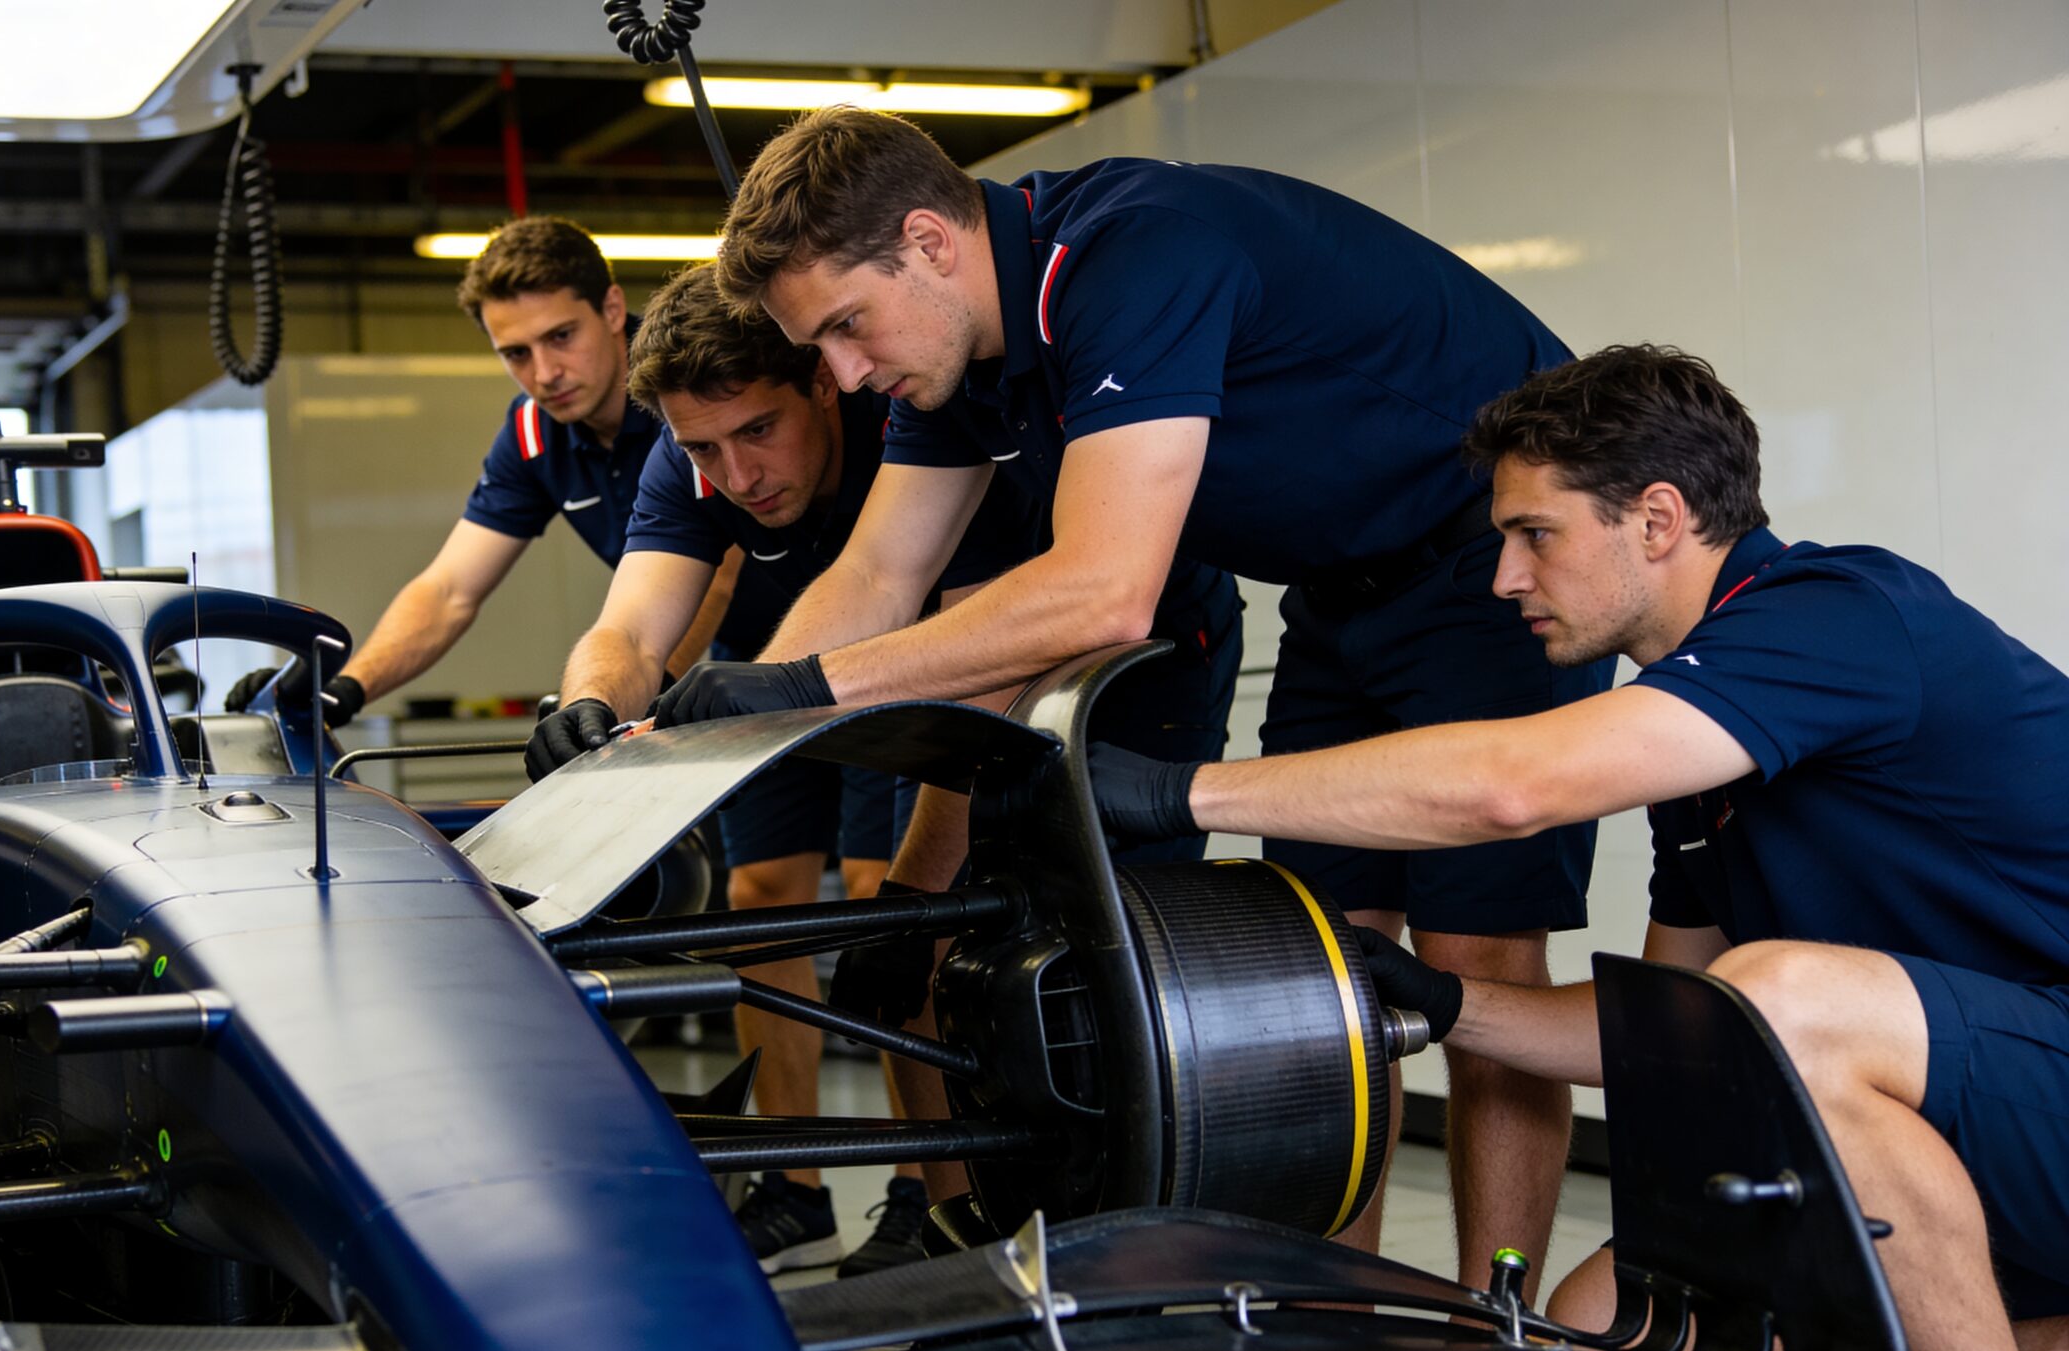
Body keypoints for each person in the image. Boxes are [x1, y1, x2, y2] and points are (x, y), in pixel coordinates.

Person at [656, 105, 1602, 1286]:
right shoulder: (953, 358)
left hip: (1489, 567)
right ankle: (1347, 1321)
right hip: (1338, 589)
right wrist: (705, 735)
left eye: (847, 325)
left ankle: (1493, 1325)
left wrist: (800, 688)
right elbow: (878, 574)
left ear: (929, 242)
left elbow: (1104, 592)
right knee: (1323, 980)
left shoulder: (1136, 252)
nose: (843, 373)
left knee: (1476, 964)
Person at [1086, 344, 2069, 1351]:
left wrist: (1176, 793)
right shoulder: (1699, 763)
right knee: (1596, 1337)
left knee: (1784, 996)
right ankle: (2035, 1343)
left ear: (1657, 519)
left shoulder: (1838, 611)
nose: (1504, 576)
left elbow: (1515, 785)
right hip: (1972, 1116)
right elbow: (1672, 1036)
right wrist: (1435, 999)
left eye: (1534, 534)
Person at [529, 263, 1035, 1277]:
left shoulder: (911, 423)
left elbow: (983, 693)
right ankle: (825, 1197)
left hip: (957, 668)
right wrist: (588, 700)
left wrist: (911, 902)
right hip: (768, 678)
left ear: (821, 382)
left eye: (758, 430)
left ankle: (938, 1209)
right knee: (767, 906)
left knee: (909, 919)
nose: (737, 474)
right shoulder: (691, 463)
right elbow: (631, 629)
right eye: (703, 448)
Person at [222, 216, 740, 720]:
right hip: (731, 659)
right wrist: (342, 690)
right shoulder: (534, 433)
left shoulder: (689, 383)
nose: (545, 373)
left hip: (777, 638)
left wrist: (635, 699)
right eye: (516, 354)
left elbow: (718, 572)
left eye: (561, 336)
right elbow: (448, 591)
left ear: (611, 308)